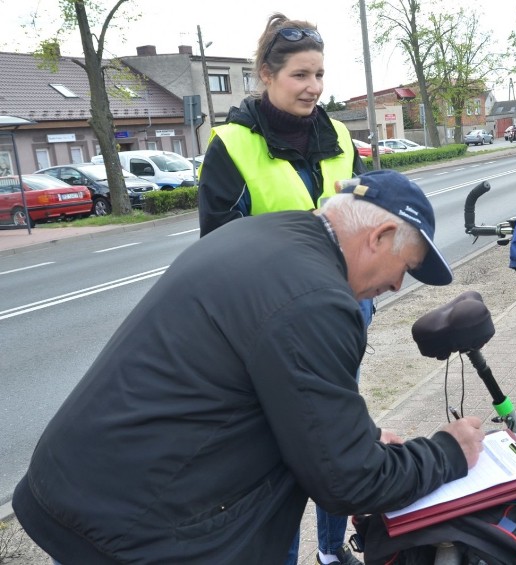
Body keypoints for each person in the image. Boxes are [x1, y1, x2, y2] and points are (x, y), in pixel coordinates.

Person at [13, 169, 485, 564]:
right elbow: (349, 480)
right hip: (134, 529)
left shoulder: (264, 235)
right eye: (406, 266)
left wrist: (358, 436)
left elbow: (272, 389)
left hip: (81, 487)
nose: (400, 286)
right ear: (379, 237)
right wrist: (448, 452)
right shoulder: (317, 300)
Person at [196, 13, 371, 564]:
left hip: (342, 310)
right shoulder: (231, 145)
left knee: (338, 433)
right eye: (299, 75)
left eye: (319, 74)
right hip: (271, 326)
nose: (314, 87)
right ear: (266, 76)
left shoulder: (341, 136)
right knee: (284, 452)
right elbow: (219, 253)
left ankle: (331, 552)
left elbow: (363, 217)